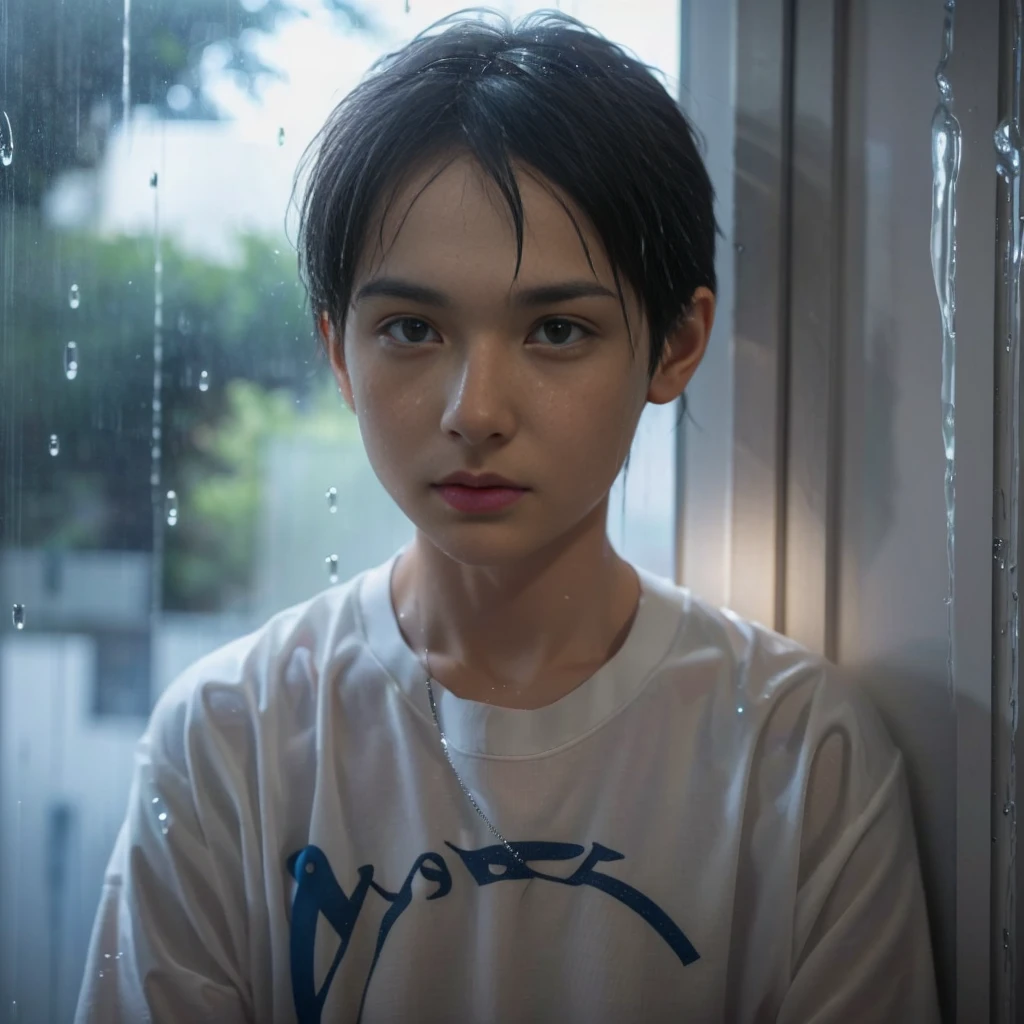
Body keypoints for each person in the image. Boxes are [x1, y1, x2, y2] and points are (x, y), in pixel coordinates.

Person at [74, 9, 941, 1023]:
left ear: (674, 343)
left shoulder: (801, 756)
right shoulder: (232, 738)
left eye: (557, 330)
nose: (474, 412)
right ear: (339, 352)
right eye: (411, 327)